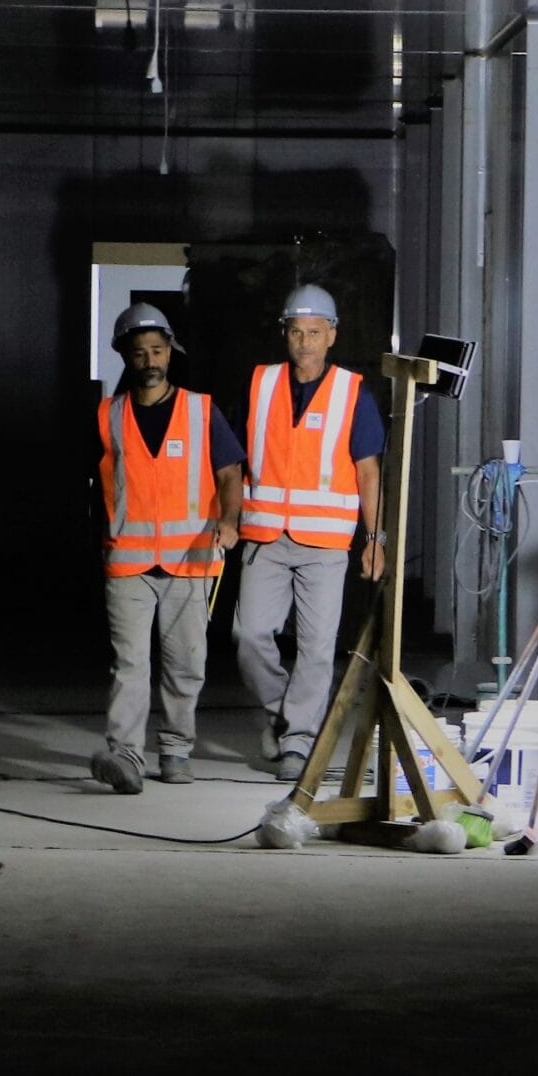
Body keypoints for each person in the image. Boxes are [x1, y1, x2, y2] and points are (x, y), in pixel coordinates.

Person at [88, 301, 246, 794]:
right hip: (129, 561)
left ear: (170, 353)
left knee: (185, 663)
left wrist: (230, 520)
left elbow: (229, 473)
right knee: (130, 663)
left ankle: (176, 749)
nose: (149, 361)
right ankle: (125, 756)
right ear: (125, 357)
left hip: (189, 559)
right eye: (139, 353)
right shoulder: (107, 416)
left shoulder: (201, 410)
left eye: (157, 350)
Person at [233, 283, 386, 781]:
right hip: (265, 537)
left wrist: (375, 539)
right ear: (286, 334)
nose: (305, 342)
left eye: (315, 332)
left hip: (325, 543)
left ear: (332, 335)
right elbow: (232, 462)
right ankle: (285, 714)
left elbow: (368, 471)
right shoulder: (259, 384)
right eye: (296, 332)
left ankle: (297, 740)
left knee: (317, 647)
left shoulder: (352, 391)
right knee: (250, 635)